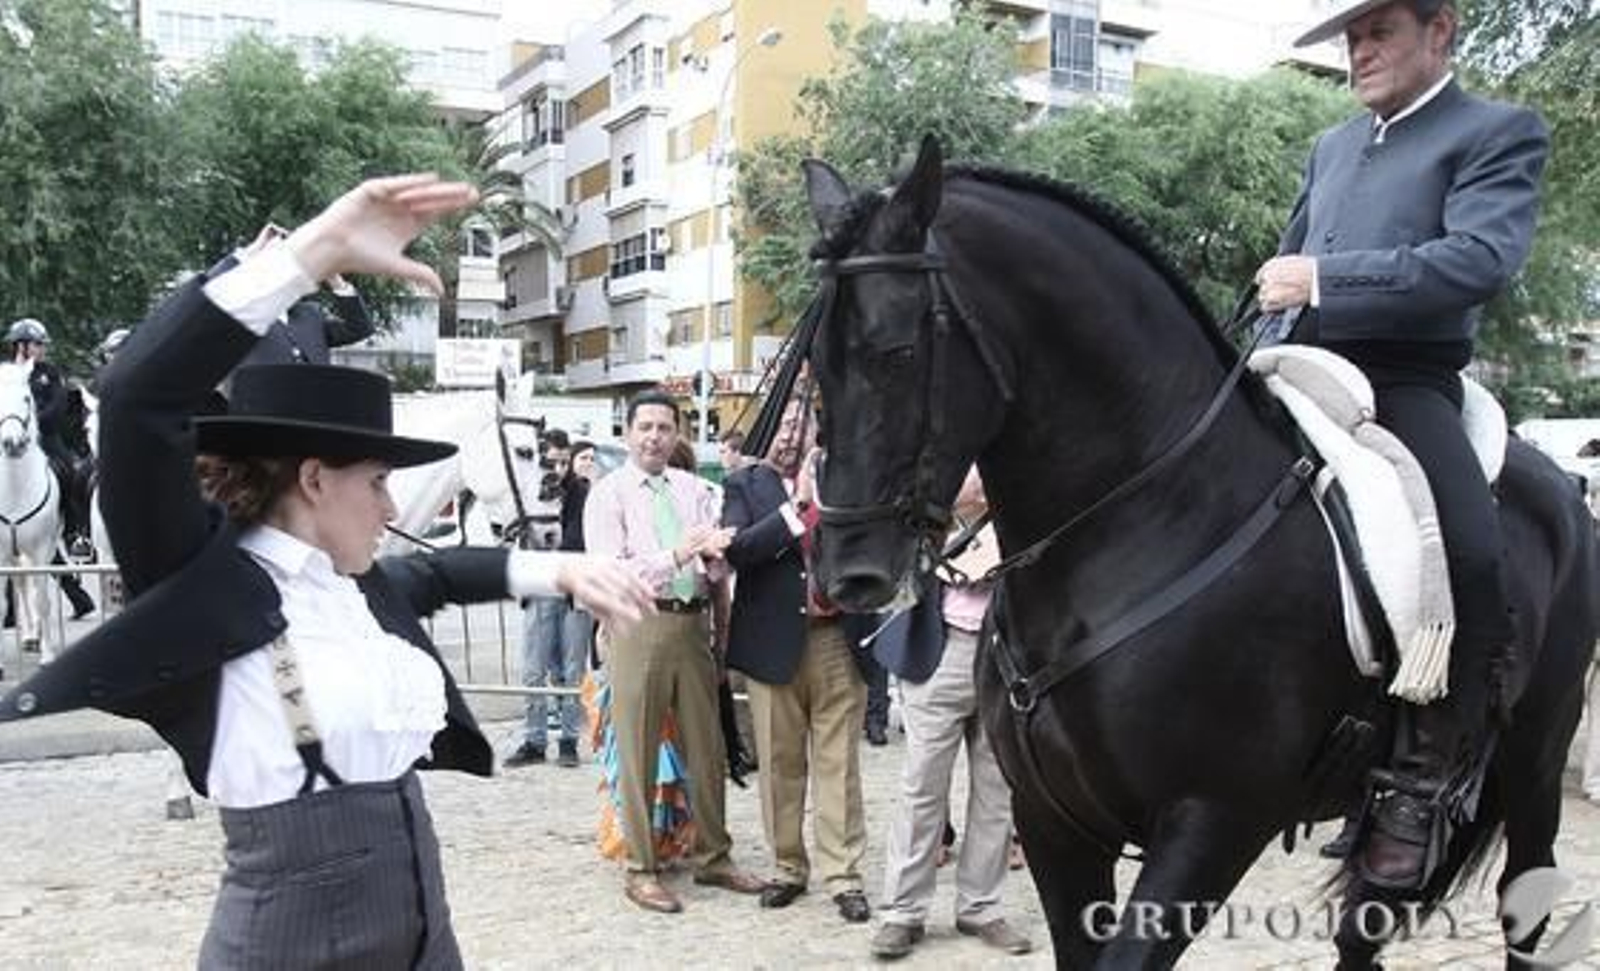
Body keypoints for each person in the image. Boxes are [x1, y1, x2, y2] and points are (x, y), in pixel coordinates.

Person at [0, 174, 654, 968]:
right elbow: (139, 395)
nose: (390, 508)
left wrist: (566, 568)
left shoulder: (355, 589)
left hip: (421, 936)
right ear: (314, 478)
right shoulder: (201, 583)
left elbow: (443, 577)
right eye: (376, 481)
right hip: (288, 946)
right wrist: (314, 253)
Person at [1256, 0, 1549, 891]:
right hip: (1300, 364)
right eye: (1351, 36)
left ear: (1441, 30)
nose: (1360, 50)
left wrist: (1325, 277)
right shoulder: (1333, 146)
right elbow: (1284, 266)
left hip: (1407, 380)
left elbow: (1479, 260)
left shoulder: (1498, 131)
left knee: (1467, 547)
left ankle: (1425, 775)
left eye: (1378, 29)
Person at [583, 387, 768, 914]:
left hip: (693, 625)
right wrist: (677, 553)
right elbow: (610, 570)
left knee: (707, 750)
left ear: (677, 435)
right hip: (637, 624)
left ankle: (715, 857)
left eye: (665, 428)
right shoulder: (609, 494)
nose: (656, 438)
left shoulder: (693, 488)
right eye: (646, 428)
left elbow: (717, 553)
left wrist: (716, 560)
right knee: (639, 752)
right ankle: (641, 867)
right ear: (628, 433)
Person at [722, 402, 878, 923]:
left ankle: (844, 874)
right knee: (780, 764)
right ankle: (788, 867)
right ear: (765, 434)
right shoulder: (744, 485)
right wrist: (799, 510)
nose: (791, 434)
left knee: (840, 765)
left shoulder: (846, 476)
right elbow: (739, 549)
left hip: (838, 636)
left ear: (817, 429)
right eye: (782, 425)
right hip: (772, 644)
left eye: (800, 423)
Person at [869, 468, 1031, 959]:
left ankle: (981, 906)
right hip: (939, 651)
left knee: (997, 790)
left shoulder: (1022, 506)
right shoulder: (926, 501)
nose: (980, 482)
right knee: (921, 788)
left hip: (1005, 654)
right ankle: (902, 912)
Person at [506, 428, 592, 768]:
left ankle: (568, 741)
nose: (556, 468)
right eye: (550, 462)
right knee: (533, 670)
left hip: (572, 590)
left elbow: (577, 539)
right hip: (540, 588)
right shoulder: (532, 490)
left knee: (570, 672)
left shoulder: (581, 492)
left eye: (562, 461)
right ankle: (534, 739)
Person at [4, 318, 97, 612]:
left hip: (44, 440)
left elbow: (56, 408)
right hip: (9, 442)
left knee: (70, 473)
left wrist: (30, 425)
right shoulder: (6, 375)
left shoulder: (50, 373)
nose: (42, 349)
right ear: (21, 346)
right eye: (37, 344)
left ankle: (74, 532)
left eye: (42, 344)